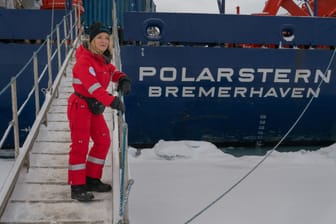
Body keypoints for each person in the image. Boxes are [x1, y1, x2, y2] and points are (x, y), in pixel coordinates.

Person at [67, 22, 131, 202]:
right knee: (80, 144)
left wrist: (123, 78)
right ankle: (77, 186)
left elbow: (112, 72)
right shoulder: (84, 61)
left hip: (94, 106)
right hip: (80, 106)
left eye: (106, 38)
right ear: (92, 40)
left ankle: (92, 178)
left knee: (103, 140)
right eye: (99, 38)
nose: (103, 41)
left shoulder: (102, 59)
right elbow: (94, 88)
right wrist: (113, 101)